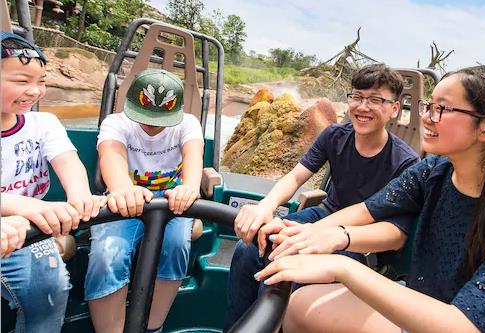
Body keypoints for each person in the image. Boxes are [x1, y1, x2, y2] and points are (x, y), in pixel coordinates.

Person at [256, 65, 485, 333]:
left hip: (456, 323)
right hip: (428, 300)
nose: (427, 117)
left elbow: (463, 325)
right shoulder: (436, 171)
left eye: (443, 109)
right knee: (300, 304)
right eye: (429, 105)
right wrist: (310, 235)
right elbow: (369, 209)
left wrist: (342, 267)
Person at [226, 63, 420, 329]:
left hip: (361, 240)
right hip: (324, 214)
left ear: (394, 109)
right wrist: (265, 207)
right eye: (357, 97)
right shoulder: (335, 136)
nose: (363, 107)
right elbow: (296, 176)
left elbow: (397, 234)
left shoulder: (405, 163)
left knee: (287, 269)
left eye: (376, 100)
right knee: (249, 247)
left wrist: (326, 236)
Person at [84, 69, 204, 333]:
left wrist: (190, 187)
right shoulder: (115, 123)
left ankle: (152, 327)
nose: (152, 125)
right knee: (107, 255)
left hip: (172, 200)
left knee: (174, 245)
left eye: (161, 120)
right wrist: (122, 188)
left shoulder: (188, 123)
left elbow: (193, 157)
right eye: (145, 118)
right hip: (125, 199)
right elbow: (111, 156)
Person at [1, 31, 106, 333]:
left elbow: (67, 161)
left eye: (42, 81)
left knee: (51, 287)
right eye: (22, 81)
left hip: (28, 234)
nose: (35, 91)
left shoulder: (43, 124)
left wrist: (80, 195)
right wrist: (22, 204)